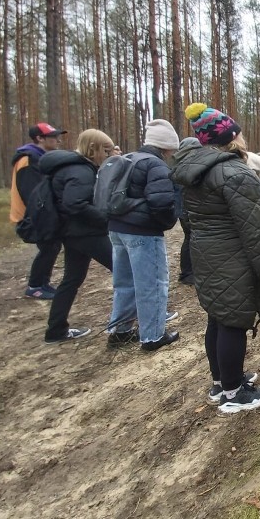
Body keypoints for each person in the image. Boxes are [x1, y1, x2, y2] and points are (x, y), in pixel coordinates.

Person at [172, 103, 260, 413]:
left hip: (207, 254)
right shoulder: (234, 172)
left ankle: (222, 381)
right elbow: (259, 227)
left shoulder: (195, 170)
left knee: (218, 316)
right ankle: (234, 395)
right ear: (232, 137)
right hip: (233, 256)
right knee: (234, 321)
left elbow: (190, 220)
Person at [105, 119, 180, 351]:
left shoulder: (127, 158)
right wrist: (166, 223)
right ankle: (153, 335)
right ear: (166, 146)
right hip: (143, 233)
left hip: (117, 229)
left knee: (124, 282)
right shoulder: (155, 165)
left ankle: (120, 330)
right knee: (152, 283)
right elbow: (162, 202)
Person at [42, 129, 115, 343]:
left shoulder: (71, 168)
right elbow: (75, 203)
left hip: (73, 233)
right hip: (87, 233)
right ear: (94, 149)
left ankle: (55, 330)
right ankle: (144, 317)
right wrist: (105, 217)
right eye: (106, 151)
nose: (109, 155)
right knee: (125, 270)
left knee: (72, 279)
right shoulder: (81, 171)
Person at [10, 123, 67, 300]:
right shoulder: (28, 159)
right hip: (32, 215)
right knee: (48, 246)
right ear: (39, 139)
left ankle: (42, 283)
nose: (58, 139)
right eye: (53, 136)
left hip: (39, 212)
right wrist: (43, 214)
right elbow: (31, 192)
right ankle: (35, 286)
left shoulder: (39, 157)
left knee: (52, 246)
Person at [174, 137, 200, 285]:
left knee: (189, 238)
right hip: (187, 209)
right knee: (190, 238)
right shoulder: (186, 165)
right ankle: (187, 273)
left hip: (185, 208)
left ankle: (189, 271)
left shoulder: (179, 164)